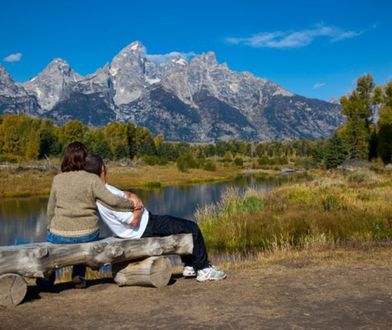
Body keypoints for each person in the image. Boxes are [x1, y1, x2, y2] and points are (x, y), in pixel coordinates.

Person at [84, 154, 227, 282]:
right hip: (145, 227)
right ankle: (203, 269)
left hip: (143, 225)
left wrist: (132, 196)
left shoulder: (101, 192)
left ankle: (190, 265)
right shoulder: (109, 195)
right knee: (192, 227)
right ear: (103, 169)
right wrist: (139, 207)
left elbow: (124, 196)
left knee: (180, 227)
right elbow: (132, 221)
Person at [40, 142, 136, 288]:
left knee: (52, 239)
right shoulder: (92, 179)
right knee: (83, 241)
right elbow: (112, 201)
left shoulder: (58, 179)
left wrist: (50, 227)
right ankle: (79, 274)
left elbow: (50, 209)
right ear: (84, 159)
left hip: (59, 234)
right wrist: (132, 205)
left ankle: (47, 277)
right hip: (87, 233)